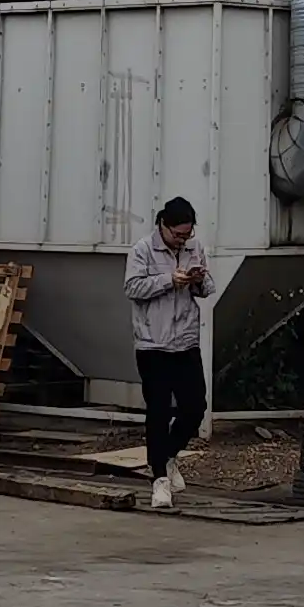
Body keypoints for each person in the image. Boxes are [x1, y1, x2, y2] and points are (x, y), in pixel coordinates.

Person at [123, 195, 210, 510]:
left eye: (187, 235)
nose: (183, 241)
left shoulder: (194, 248)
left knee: (194, 407)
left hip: (185, 340)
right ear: (163, 225)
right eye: (178, 235)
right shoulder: (143, 250)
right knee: (158, 410)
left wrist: (199, 279)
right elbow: (132, 288)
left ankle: (168, 455)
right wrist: (166, 280)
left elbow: (205, 290)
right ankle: (159, 477)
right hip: (152, 343)